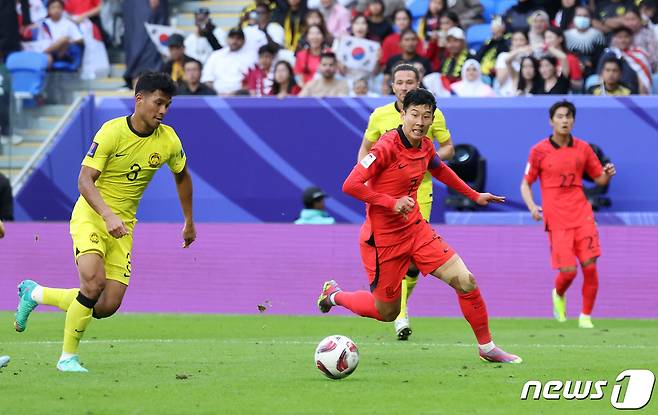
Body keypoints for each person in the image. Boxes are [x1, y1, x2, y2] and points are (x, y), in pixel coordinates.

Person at [320, 89, 521, 364]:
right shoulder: (385, 147)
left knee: (465, 281)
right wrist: (390, 203)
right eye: (414, 114)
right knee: (387, 312)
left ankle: (486, 347)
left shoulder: (425, 145)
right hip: (383, 241)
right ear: (402, 114)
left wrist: (474, 194)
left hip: (416, 231)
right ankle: (335, 295)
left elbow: (439, 169)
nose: (420, 121)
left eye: (427, 116)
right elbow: (350, 185)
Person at [13, 72, 196, 372]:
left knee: (106, 304)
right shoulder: (111, 132)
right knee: (93, 281)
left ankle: (35, 293)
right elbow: (84, 180)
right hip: (92, 215)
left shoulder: (168, 140)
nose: (162, 111)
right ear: (140, 100)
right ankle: (67, 358)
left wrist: (189, 220)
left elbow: (182, 176)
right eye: (158, 103)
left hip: (123, 225)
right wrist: (107, 215)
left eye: (167, 105)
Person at [357, 64, 455, 340]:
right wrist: (366, 180)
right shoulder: (379, 116)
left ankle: (401, 310)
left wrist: (427, 159)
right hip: (387, 198)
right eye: (399, 83)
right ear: (392, 86)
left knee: (413, 261)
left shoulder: (432, 115)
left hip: (419, 191)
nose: (404, 87)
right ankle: (396, 309)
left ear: (418, 83)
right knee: (397, 257)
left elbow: (449, 148)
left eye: (409, 82)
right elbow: (366, 148)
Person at [520, 100, 615, 329]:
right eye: (560, 116)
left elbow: (598, 179)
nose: (565, 120)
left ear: (573, 120)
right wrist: (533, 206)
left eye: (568, 116)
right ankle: (558, 294)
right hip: (557, 218)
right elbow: (525, 184)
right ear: (551, 121)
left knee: (590, 266)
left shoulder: (583, 148)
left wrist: (607, 174)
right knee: (569, 272)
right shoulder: (539, 150)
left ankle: (585, 316)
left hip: (582, 214)